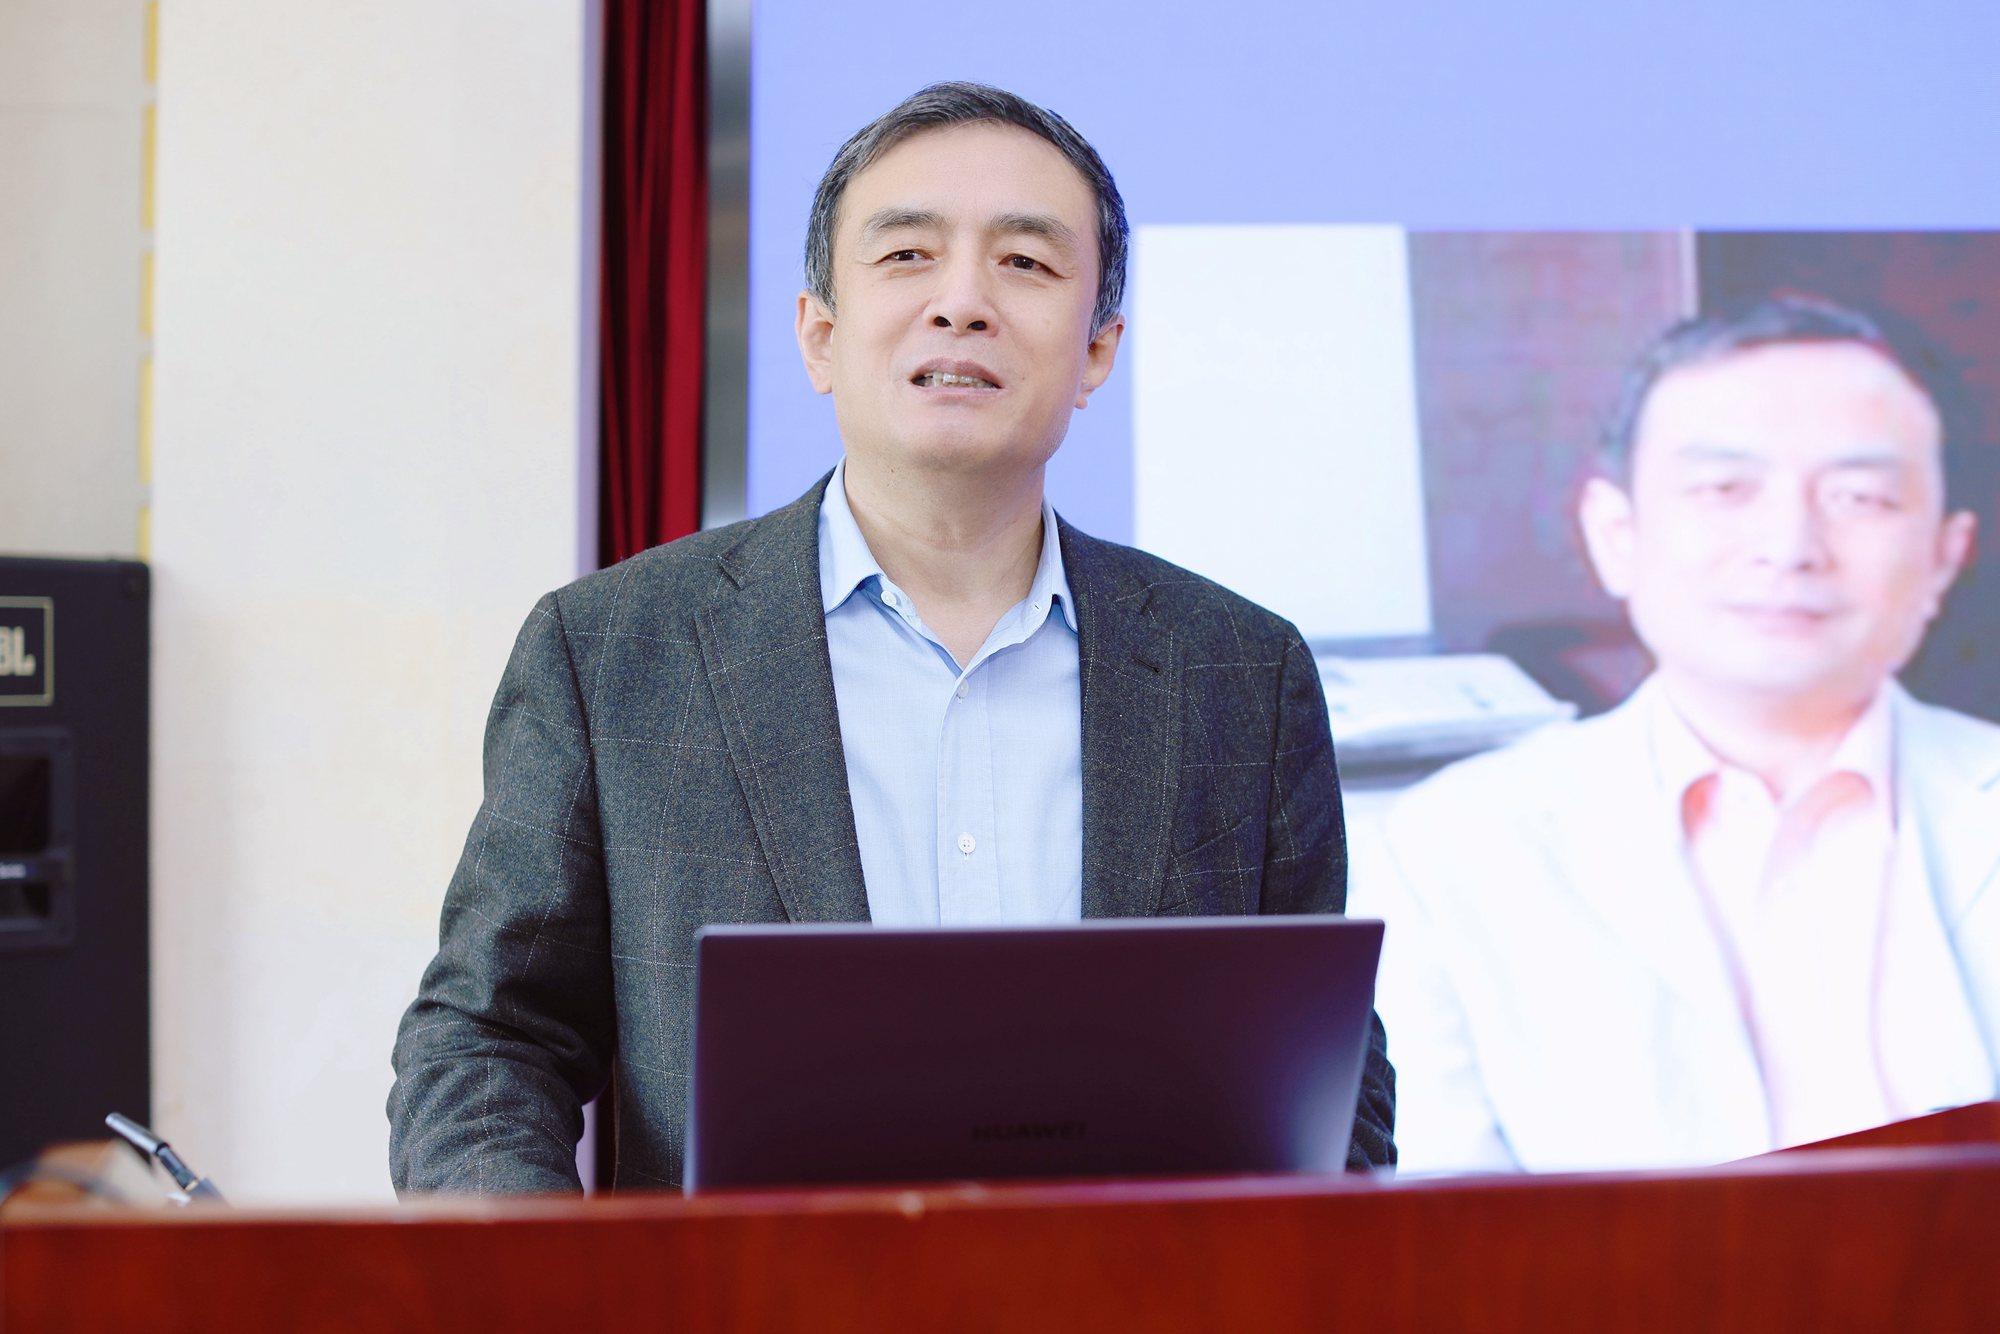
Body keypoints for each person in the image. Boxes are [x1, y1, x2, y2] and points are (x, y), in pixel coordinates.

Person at [388, 82, 1395, 1192]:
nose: (962, 302)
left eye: (1025, 262)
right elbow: (489, 1040)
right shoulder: (614, 652)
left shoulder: (1241, 674)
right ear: (819, 335)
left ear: (1098, 350)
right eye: (908, 255)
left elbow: (1329, 1068)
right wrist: (554, 1274)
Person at [1358, 293, 2000, 1174]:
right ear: (1615, 534)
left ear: (1944, 555)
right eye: (1725, 489)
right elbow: (1444, 1223)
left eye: (1860, 496)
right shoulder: (1444, 848)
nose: (1789, 545)